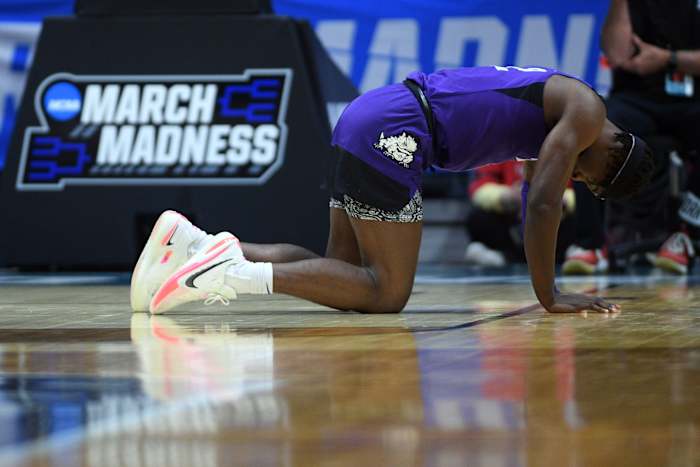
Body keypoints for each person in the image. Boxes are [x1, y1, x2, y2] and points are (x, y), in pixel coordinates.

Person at [130, 65, 654, 315]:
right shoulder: (589, 114)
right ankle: (232, 274)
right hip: (397, 130)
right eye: (591, 179)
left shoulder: (569, 111)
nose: (578, 181)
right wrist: (550, 295)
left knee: (346, 274)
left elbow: (531, 197)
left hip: (373, 114)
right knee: (387, 292)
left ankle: (194, 243)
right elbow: (541, 205)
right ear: (613, 154)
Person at [566, 0, 700, 275]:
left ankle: (683, 233)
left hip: (693, 99)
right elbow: (617, 53)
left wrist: (668, 59)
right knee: (589, 126)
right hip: (637, 100)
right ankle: (590, 245)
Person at [464, 161, 576, 266]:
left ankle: (568, 253)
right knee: (479, 217)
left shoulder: (558, 146)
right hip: (510, 213)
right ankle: (504, 256)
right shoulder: (500, 146)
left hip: (551, 212)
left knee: (577, 215)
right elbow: (479, 188)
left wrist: (555, 198)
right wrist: (507, 196)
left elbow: (579, 188)